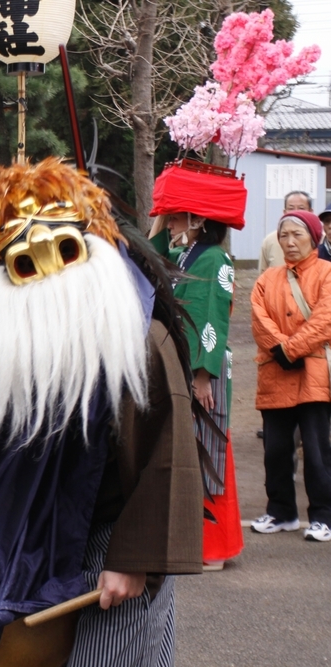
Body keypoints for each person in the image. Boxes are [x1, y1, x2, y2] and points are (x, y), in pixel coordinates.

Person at [0, 159, 203, 667]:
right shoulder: (11, 340)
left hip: (108, 538)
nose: (52, 271)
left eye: (65, 250)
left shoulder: (138, 340)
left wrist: (136, 559)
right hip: (27, 532)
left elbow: (168, 457)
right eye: (28, 264)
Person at [148, 161, 244, 571]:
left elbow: (213, 318)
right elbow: (149, 257)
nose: (169, 223)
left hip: (204, 368)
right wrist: (159, 215)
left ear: (198, 220)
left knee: (208, 450)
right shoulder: (184, 254)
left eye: (175, 216)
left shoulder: (214, 259)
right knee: (189, 449)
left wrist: (203, 375)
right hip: (183, 364)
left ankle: (215, 546)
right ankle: (194, 540)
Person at [250, 210, 331, 543]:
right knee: (276, 449)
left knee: (317, 451)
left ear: (314, 237)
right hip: (275, 372)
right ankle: (281, 512)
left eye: (297, 234)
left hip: (313, 375)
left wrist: (289, 349)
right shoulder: (267, 278)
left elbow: (325, 320)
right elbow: (258, 319)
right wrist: (281, 350)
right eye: (284, 235)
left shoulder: (327, 273)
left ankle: (323, 516)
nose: (290, 241)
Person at [259, 190, 313, 270]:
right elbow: (263, 274)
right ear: (284, 212)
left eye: (301, 208)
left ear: (310, 212)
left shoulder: (321, 238)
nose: (296, 212)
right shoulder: (270, 240)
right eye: (291, 208)